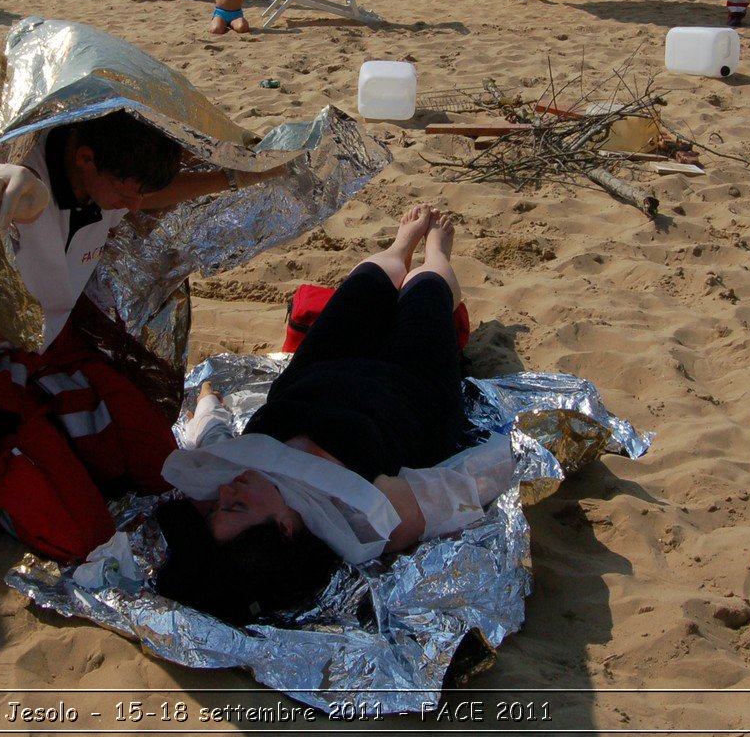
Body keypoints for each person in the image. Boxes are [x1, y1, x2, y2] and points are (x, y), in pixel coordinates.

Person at [0, 110, 282, 562]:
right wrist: (12, 179)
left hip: (58, 353)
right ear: (86, 158)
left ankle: (58, 439)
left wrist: (232, 178)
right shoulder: (28, 183)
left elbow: (147, 196)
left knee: (162, 470)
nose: (131, 206)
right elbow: (3, 188)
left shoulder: (104, 178)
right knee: (82, 536)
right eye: (124, 191)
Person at [153, 205, 516, 622]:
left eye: (217, 508)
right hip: (408, 389)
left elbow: (213, 443)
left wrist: (206, 405)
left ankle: (400, 245)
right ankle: (437, 253)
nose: (224, 493)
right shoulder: (358, 516)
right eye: (236, 508)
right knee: (426, 287)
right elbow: (471, 480)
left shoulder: (231, 481)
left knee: (367, 282)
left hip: (318, 372)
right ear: (286, 527)